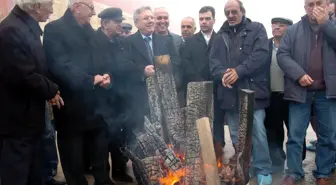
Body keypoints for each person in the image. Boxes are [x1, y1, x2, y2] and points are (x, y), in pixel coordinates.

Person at [43, 0, 114, 184]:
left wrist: (107, 76)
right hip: (72, 106)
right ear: (77, 7)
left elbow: (103, 59)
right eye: (91, 8)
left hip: (97, 105)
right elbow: (60, 65)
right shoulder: (55, 29)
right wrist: (89, 80)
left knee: (100, 153)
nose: (93, 13)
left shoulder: (91, 31)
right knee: (73, 157)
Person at [0, 0, 63, 185]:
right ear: (36, 7)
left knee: (34, 170)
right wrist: (52, 89)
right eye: (50, 5)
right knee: (17, 173)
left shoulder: (25, 26)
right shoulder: (11, 30)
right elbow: (23, 75)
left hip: (28, 115)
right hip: (16, 119)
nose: (52, 10)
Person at [209, 0, 272, 184]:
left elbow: (260, 55)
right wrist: (223, 75)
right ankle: (245, 168)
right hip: (229, 93)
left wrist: (238, 71)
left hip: (252, 92)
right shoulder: (220, 35)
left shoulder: (257, 29)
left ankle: (264, 170)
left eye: (234, 11)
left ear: (242, 11)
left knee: (258, 132)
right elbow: (213, 63)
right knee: (236, 134)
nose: (230, 15)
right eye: (227, 12)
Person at [277, 0, 336, 184]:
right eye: (310, 4)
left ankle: (323, 173)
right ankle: (294, 172)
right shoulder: (294, 30)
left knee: (327, 135)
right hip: (300, 91)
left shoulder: (332, 27)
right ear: (304, 7)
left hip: (327, 92)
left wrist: (326, 24)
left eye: (319, 3)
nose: (314, 7)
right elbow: (282, 55)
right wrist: (298, 74)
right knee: (295, 135)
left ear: (327, 5)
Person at [95, 7, 133, 183]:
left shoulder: (120, 42)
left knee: (119, 138)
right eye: (117, 22)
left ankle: (119, 171)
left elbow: (124, 66)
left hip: (119, 98)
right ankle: (102, 178)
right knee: (101, 142)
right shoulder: (93, 41)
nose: (120, 25)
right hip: (101, 99)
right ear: (104, 24)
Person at [263, 17, 294, 173]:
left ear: (289, 29)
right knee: (274, 129)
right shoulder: (265, 46)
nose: (276, 28)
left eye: (281, 25)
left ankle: (296, 162)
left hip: (291, 95)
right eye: (274, 25)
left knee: (293, 129)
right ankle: (277, 160)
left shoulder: (294, 46)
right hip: (272, 95)